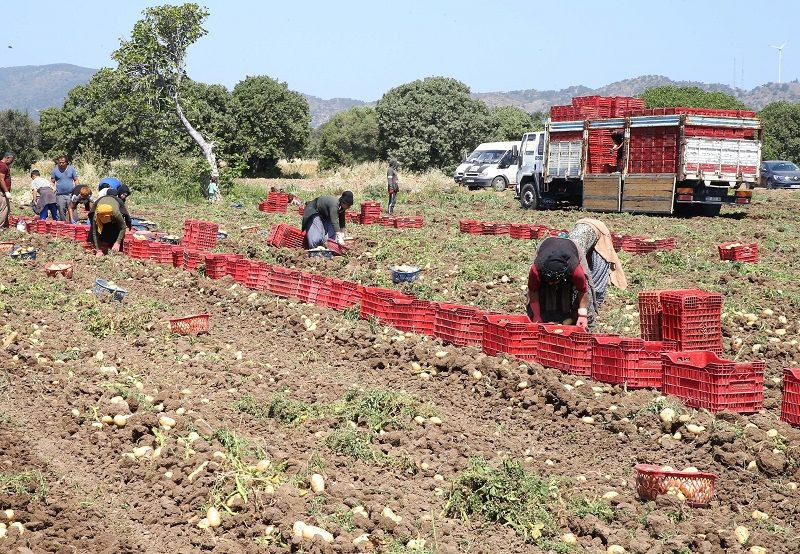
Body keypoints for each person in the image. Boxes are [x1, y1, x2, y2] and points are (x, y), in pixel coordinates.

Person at [527, 219, 626, 329]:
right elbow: (533, 291)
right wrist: (536, 315)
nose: (552, 283)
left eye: (555, 281)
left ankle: (588, 327)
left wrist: (583, 315)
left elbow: (583, 290)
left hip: (573, 249)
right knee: (541, 296)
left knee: (584, 292)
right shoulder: (536, 268)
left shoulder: (574, 267)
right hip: (546, 246)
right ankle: (543, 319)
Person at [50, 155, 79, 221]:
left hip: (70, 194)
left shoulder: (71, 169)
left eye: (63, 162)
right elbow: (52, 182)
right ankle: (64, 226)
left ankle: (74, 223)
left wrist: (77, 190)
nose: (61, 164)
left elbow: (76, 180)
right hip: (60, 195)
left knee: (73, 210)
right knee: (61, 211)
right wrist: (52, 189)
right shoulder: (55, 170)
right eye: (59, 162)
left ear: (66, 162)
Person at [0, 152, 15, 228]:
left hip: (4, 192)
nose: (12, 162)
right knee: (3, 210)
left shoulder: (5, 165)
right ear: (8, 157)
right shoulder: (2, 166)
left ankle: (5, 226)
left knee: (7, 209)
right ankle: (1, 227)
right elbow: (1, 179)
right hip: (2, 192)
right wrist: (6, 191)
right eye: (11, 160)